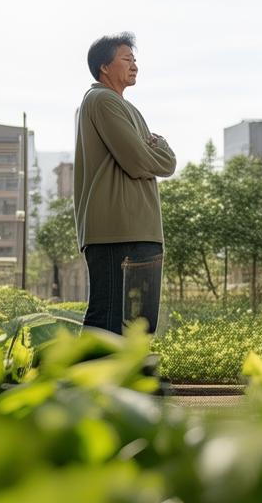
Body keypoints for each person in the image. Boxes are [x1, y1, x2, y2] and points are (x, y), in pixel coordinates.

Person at [73, 32, 176, 334]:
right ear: (104, 67)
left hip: (140, 229)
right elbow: (138, 160)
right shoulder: (101, 100)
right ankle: (85, 382)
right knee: (107, 324)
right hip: (116, 232)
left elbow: (162, 162)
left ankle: (120, 382)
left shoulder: (126, 107)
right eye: (126, 59)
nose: (134, 66)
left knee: (137, 328)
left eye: (135, 60)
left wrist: (158, 152)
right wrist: (160, 150)